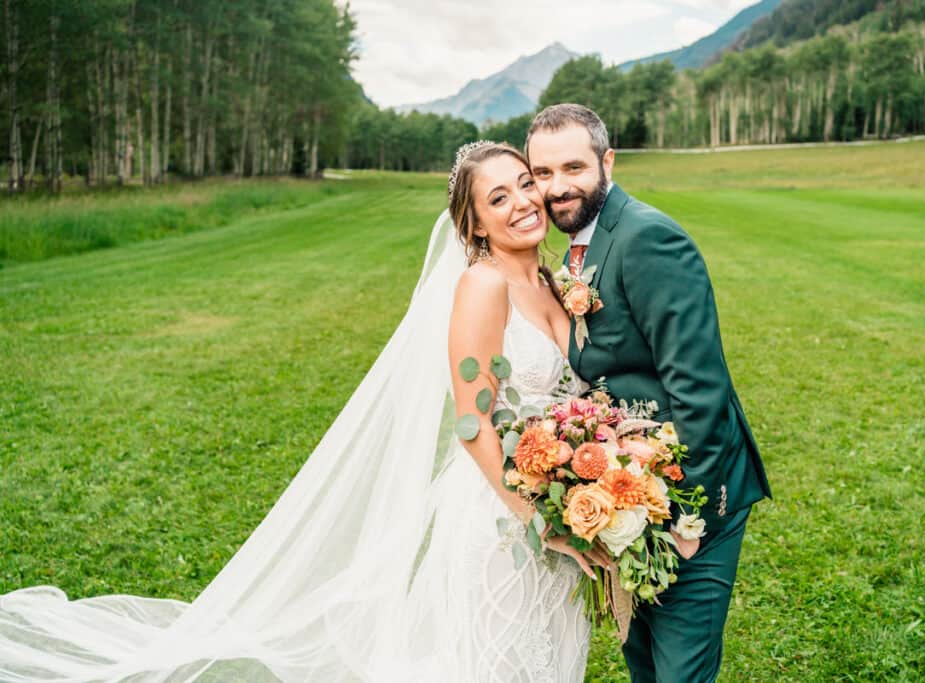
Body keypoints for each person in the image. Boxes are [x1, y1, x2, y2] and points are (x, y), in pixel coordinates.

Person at [0, 142, 590, 682]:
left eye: (524, 183)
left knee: (553, 653)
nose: (522, 202)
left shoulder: (551, 279)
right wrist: (537, 518)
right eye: (497, 197)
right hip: (502, 520)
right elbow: (471, 423)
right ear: (474, 223)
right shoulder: (482, 287)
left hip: (558, 503)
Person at [526, 103, 772, 683]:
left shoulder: (648, 238)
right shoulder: (579, 243)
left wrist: (689, 521)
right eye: (542, 173)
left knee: (680, 670)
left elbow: (701, 391)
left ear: (607, 161)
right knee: (643, 659)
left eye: (573, 168)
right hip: (627, 491)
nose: (557, 188)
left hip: (689, 493)